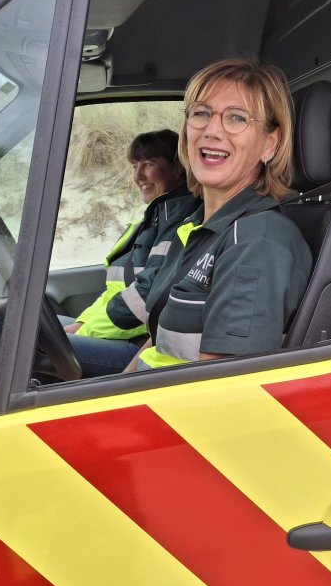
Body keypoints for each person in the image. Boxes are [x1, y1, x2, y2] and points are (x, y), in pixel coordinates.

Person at [126, 58, 312, 371]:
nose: (212, 130)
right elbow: (158, 343)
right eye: (201, 113)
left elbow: (220, 385)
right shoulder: (197, 227)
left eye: (237, 118)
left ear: (270, 144)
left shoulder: (257, 242)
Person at [66, 129, 199, 376]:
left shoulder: (180, 219)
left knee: (29, 347)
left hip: (140, 341)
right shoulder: (156, 217)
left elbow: (145, 299)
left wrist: (84, 331)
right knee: (23, 330)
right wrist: (82, 323)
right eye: (135, 165)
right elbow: (115, 291)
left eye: (148, 164)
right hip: (124, 331)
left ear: (178, 168)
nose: (138, 175)